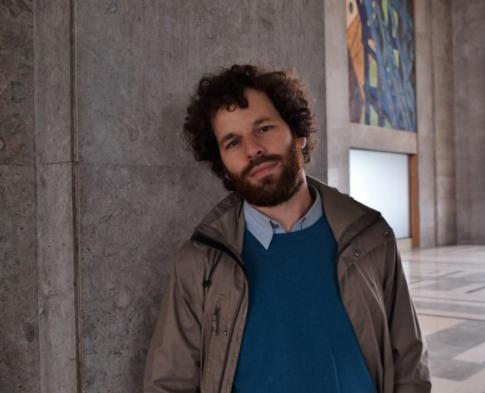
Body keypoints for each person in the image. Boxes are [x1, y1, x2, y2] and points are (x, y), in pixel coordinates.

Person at [143, 64, 431, 393]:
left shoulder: (370, 237)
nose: (253, 149)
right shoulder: (200, 261)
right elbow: (169, 383)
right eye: (233, 143)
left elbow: (408, 361)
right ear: (221, 161)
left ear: (298, 132)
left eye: (264, 128)